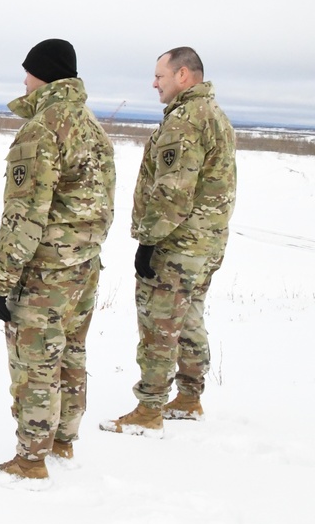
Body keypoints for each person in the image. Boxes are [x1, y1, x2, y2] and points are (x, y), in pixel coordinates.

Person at [0, 39, 116, 482]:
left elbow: (24, 214)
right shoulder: (92, 126)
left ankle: (30, 461)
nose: (24, 80)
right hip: (84, 268)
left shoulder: (42, 129)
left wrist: (1, 280)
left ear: (46, 74)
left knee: (36, 362)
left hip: (46, 273)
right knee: (70, 353)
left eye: (29, 72)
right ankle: (62, 442)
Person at [100, 46, 236, 437]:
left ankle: (149, 409)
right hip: (205, 245)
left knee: (160, 324)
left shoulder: (185, 121)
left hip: (178, 247)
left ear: (183, 76)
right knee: (190, 319)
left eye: (160, 75)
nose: (153, 83)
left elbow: (173, 193)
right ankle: (190, 398)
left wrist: (148, 241)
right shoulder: (214, 115)